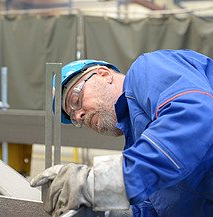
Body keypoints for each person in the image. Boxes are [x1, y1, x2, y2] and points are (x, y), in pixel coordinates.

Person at [30, 49, 213, 217]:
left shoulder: (145, 70)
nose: (78, 115)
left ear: (104, 74)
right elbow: (163, 206)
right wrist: (110, 213)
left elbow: (195, 116)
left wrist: (99, 181)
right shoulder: (136, 143)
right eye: (73, 117)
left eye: (75, 99)